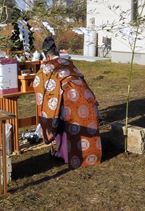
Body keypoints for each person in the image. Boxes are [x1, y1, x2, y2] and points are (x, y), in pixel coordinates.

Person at [33, 37, 102, 169]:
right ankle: (89, 154)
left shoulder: (47, 67)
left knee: (64, 122)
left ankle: (64, 155)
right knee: (82, 122)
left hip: (69, 98)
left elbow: (38, 85)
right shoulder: (68, 63)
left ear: (47, 56)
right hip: (85, 95)